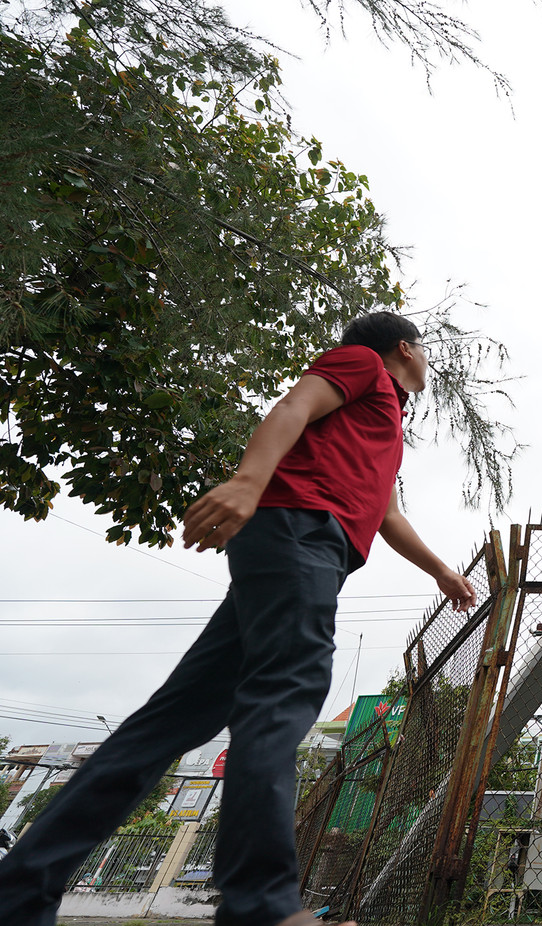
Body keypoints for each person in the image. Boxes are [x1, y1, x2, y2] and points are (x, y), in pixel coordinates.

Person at [0, 312, 478, 926]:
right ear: (405, 349)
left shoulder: (385, 424)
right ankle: (261, 904)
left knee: (166, 726)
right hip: (299, 534)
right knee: (285, 692)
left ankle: (20, 887)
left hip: (305, 548)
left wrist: (439, 571)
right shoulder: (364, 367)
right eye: (424, 352)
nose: (427, 364)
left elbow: (385, 515)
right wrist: (249, 481)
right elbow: (293, 407)